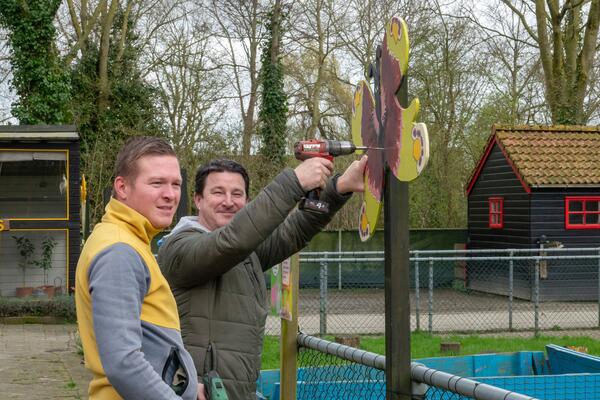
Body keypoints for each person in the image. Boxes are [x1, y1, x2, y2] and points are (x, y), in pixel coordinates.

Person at [157, 155, 367, 399]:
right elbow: (229, 243)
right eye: (217, 192)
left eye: (237, 194)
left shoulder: (247, 252)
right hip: (197, 393)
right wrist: (295, 182)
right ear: (198, 200)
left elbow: (295, 230)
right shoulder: (179, 248)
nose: (228, 201)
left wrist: (340, 187)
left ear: (247, 201)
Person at [75, 136, 201, 400]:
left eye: (176, 184)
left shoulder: (128, 239)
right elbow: (124, 364)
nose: (170, 194)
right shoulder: (120, 250)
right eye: (156, 183)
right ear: (122, 187)